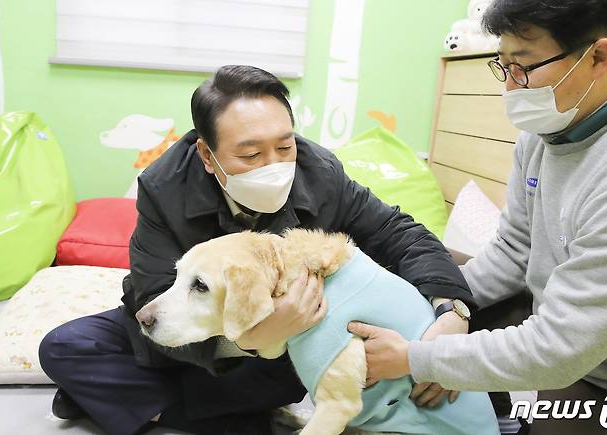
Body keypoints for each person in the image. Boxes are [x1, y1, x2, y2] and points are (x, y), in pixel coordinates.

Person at [38, 65, 475, 435]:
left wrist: (452, 310)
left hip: (283, 352)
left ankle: (139, 405)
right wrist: (248, 339)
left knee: (298, 368)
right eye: (250, 154)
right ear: (207, 155)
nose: (276, 164)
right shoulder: (163, 187)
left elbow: (402, 233)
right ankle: (235, 416)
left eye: (284, 146)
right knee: (64, 346)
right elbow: (152, 291)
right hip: (200, 326)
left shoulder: (320, 172)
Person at [348, 0, 607, 434]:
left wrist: (419, 358)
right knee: (434, 272)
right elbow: (513, 250)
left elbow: (560, 348)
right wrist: (444, 311)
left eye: (523, 67)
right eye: (502, 66)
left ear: (598, 56)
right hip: (558, 327)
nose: (510, 88)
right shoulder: (545, 134)